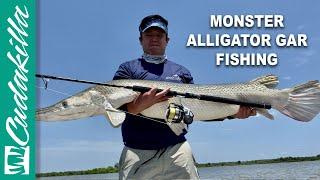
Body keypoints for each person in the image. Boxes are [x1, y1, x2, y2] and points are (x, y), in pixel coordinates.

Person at [113, 14, 256, 180]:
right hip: (137, 152)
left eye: (159, 35)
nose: (154, 39)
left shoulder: (182, 72)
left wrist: (232, 114)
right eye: (148, 35)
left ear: (167, 40)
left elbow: (197, 109)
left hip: (178, 150)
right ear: (140, 40)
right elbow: (114, 107)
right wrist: (138, 105)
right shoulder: (127, 70)